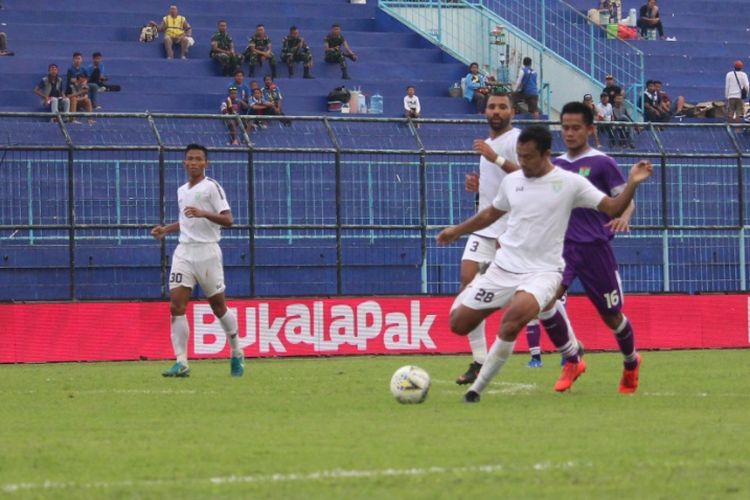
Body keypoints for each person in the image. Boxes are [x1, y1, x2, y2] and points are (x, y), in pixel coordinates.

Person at [436, 121, 652, 403]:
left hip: (544, 272)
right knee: (459, 324)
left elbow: (611, 207)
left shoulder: (569, 183)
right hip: (503, 268)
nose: (522, 162)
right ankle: (572, 350)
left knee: (513, 320)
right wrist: (457, 230)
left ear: (546, 154)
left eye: (528, 157)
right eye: (520, 156)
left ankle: (475, 390)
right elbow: (491, 214)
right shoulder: (513, 182)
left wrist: (632, 184)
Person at [551, 101, 642, 393]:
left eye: (576, 127)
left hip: (595, 249)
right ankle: (572, 357)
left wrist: (624, 217)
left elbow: (625, 200)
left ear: (590, 129)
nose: (570, 133)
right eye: (565, 127)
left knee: (611, 316)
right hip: (563, 249)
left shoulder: (603, 163)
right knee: (543, 301)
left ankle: (630, 363)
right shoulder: (556, 165)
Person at [450, 91, 529, 383]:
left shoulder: (516, 139)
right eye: (492, 106)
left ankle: (569, 346)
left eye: (502, 107)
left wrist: (494, 158)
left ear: (512, 112)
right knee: (467, 282)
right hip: (486, 226)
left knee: (534, 297)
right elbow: (500, 187)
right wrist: (478, 185)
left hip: (510, 227)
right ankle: (479, 361)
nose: (496, 111)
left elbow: (528, 176)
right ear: (485, 112)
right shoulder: (490, 145)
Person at [150, 143, 245, 378]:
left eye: (198, 159)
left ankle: (236, 351)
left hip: (207, 252)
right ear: (184, 163)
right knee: (176, 305)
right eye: (190, 159)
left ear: (206, 163)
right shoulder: (182, 190)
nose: (193, 162)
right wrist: (167, 229)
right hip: (184, 251)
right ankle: (181, 362)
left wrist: (204, 213)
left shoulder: (212, 187)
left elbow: (228, 219)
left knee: (218, 306)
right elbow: (187, 221)